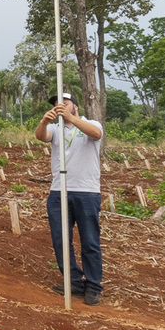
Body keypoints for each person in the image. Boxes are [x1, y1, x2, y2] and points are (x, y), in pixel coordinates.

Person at [35, 92, 105, 306]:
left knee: (90, 240)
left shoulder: (90, 123)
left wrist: (72, 119)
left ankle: (93, 285)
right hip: (59, 191)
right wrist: (44, 121)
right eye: (57, 106)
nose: (60, 108)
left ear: (75, 105)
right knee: (60, 240)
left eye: (64, 104)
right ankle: (73, 281)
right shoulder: (55, 129)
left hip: (86, 191)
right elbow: (40, 136)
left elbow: (96, 134)